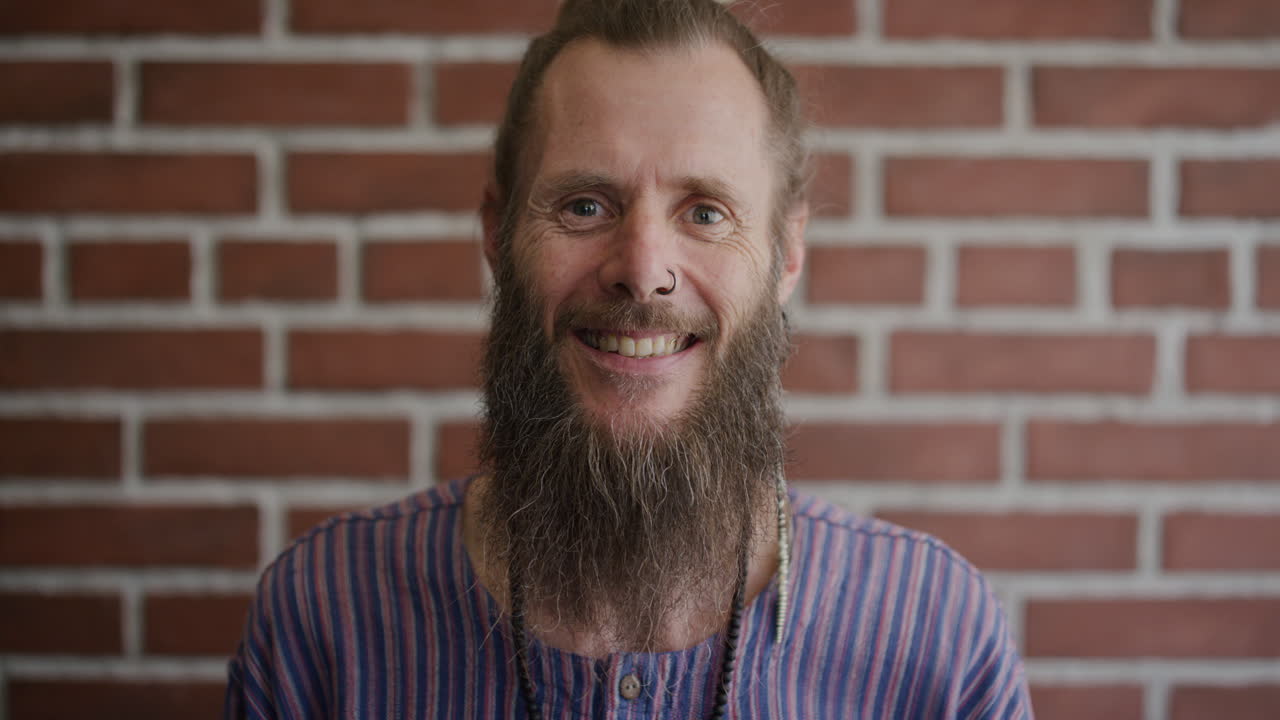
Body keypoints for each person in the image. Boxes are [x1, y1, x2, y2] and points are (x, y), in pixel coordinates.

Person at [224, 0, 1034, 717]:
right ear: (497, 236)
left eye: (706, 212)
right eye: (585, 205)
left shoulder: (939, 642)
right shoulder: (323, 620)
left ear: (786, 256)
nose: (643, 267)